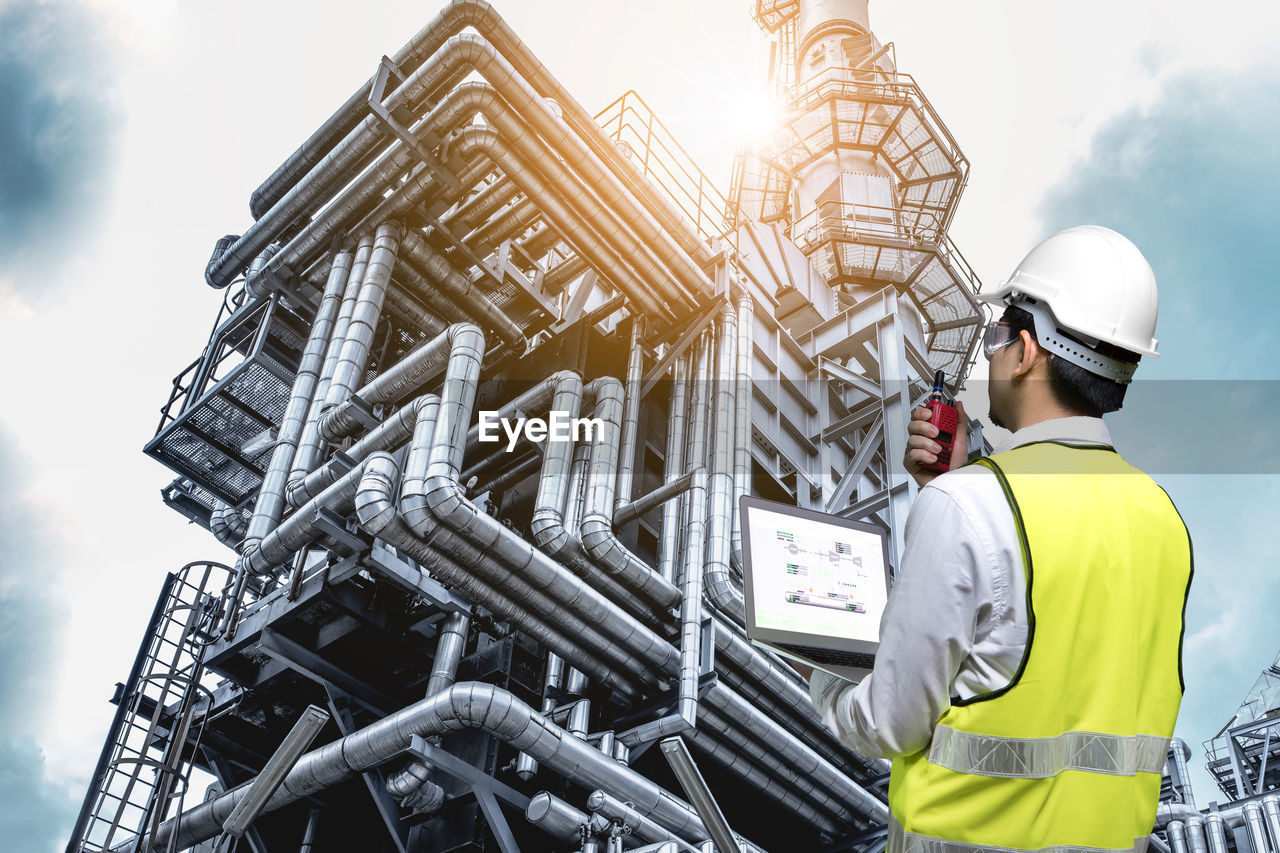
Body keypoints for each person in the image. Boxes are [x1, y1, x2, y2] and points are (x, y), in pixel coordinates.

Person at [797, 225, 1194, 850]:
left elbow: (890, 725)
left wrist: (824, 674)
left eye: (994, 339)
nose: (988, 357)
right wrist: (947, 489)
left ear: (1026, 349)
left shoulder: (973, 504)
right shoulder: (1164, 519)